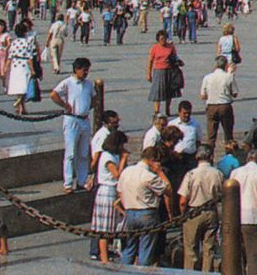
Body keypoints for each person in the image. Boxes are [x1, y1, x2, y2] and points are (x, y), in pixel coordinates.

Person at [117, 145, 173, 266]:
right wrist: (160, 172)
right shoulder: (150, 176)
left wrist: (126, 204)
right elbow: (168, 190)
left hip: (130, 212)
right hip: (147, 213)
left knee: (129, 247)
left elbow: (119, 191)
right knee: (145, 249)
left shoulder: (126, 171)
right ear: (152, 160)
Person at [49, 56, 95, 192]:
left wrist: (87, 107)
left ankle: (81, 181)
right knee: (70, 153)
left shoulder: (88, 84)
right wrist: (65, 105)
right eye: (84, 70)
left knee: (83, 152)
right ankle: (68, 183)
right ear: (76, 70)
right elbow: (53, 94)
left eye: (87, 70)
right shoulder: (67, 82)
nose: (86, 73)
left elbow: (94, 97)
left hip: (84, 119)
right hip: (71, 120)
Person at [178, 142, 223, 272]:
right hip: (211, 212)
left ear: (197, 157)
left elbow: (182, 200)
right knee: (209, 248)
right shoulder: (217, 173)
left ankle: (190, 273)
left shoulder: (191, 174)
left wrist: (182, 215)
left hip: (193, 211)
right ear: (211, 157)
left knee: (191, 249)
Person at [231, 147, 257, 275]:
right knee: (254, 257)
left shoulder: (236, 172)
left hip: (237, 216)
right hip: (254, 217)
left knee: (239, 255)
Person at [91, 130, 128, 262]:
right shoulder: (107, 157)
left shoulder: (113, 155)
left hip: (113, 190)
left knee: (113, 225)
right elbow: (117, 175)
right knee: (105, 228)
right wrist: (124, 160)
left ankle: (109, 253)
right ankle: (104, 258)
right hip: (106, 191)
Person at [200, 55, 239, 147]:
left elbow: (203, 96)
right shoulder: (228, 76)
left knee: (211, 135)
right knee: (228, 134)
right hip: (225, 106)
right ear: (226, 65)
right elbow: (235, 94)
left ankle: (209, 154)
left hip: (211, 106)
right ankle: (229, 154)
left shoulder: (207, 77)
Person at [147, 30, 179, 118]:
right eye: (161, 38)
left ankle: (167, 109)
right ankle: (157, 110)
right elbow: (150, 61)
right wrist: (148, 74)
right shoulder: (154, 48)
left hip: (169, 70)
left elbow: (175, 57)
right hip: (158, 71)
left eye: (165, 38)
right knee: (158, 91)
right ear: (158, 39)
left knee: (169, 91)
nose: (163, 40)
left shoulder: (171, 47)